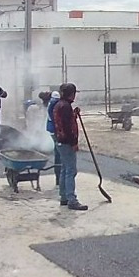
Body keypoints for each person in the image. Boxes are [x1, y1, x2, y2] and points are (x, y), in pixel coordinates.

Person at [52, 83, 88, 211]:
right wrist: (74, 143)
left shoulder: (59, 105)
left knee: (65, 169)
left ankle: (64, 197)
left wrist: (74, 114)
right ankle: (72, 200)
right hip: (66, 142)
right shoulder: (65, 107)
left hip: (60, 141)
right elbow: (67, 128)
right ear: (71, 94)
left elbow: (64, 122)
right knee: (71, 171)